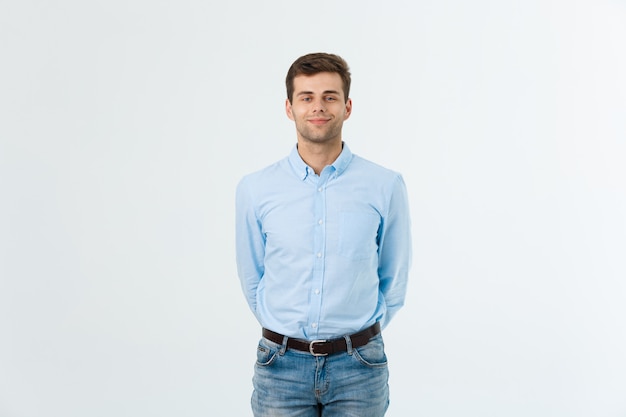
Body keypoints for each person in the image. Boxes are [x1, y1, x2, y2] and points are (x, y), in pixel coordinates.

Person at [235, 52, 412, 417]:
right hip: (280, 367)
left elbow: (394, 279)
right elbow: (253, 278)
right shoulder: (256, 189)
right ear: (289, 108)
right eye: (307, 97)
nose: (319, 107)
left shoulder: (384, 185)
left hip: (359, 368)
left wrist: (356, 338)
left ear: (347, 107)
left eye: (330, 96)